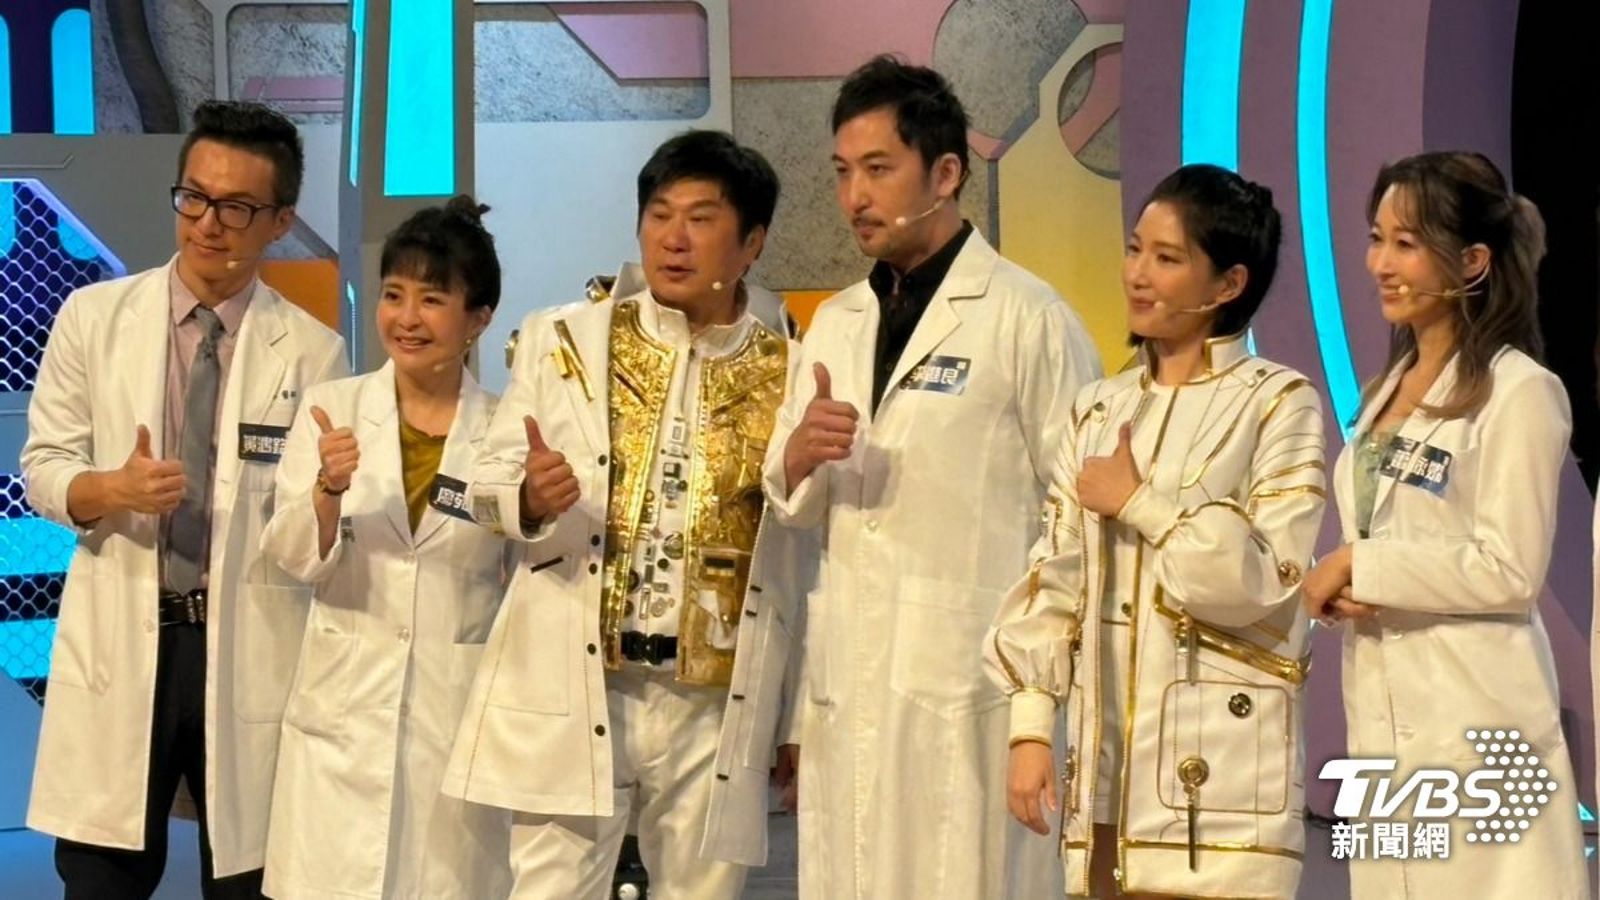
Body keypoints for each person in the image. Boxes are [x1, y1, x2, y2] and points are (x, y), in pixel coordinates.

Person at [763, 55, 1100, 898]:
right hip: (849, 675)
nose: (854, 197)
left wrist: (1041, 702)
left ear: (946, 173)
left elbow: (1078, 519)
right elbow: (791, 504)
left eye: (878, 169)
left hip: (972, 676)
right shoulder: (834, 322)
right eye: (842, 172)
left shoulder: (1030, 318)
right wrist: (798, 455)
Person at [443, 129, 804, 899]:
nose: (674, 238)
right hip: (577, 673)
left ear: (752, 243)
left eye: (701, 219)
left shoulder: (790, 373)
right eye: (659, 214)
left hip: (715, 696)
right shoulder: (562, 339)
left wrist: (797, 717)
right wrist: (529, 498)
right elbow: (483, 483)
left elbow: (803, 560)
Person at [21, 100, 347, 898]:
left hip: (245, 646)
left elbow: (305, 535)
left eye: (235, 208)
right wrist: (111, 488)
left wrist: (330, 495)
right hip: (124, 631)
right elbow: (44, 467)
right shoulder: (94, 318)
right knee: (101, 876)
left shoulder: (314, 353)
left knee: (248, 874)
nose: (207, 223)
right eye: (194, 197)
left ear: (279, 221)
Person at [988, 164, 1324, 899]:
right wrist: (1031, 725)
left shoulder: (1278, 402)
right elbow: (1056, 575)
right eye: (1135, 249)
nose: (1138, 274)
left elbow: (1266, 582)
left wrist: (1141, 503)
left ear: (1228, 284)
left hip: (1223, 771)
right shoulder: (1096, 409)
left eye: (1167, 258)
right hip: (1105, 772)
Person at [1303, 151, 1589, 899]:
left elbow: (1510, 570)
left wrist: (1362, 567)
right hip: (1384, 720)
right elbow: (1388, 537)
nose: (1380, 264)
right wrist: (1350, 584)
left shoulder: (1521, 392)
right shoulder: (1382, 391)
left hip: (1480, 725)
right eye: (1377, 238)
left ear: (1472, 262)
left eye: (1407, 243)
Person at [258, 197, 512, 899]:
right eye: (394, 294)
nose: (407, 318)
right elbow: (291, 556)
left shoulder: (508, 429)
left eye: (433, 299)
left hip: (451, 715)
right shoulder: (333, 410)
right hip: (341, 714)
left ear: (478, 318)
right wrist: (327, 490)